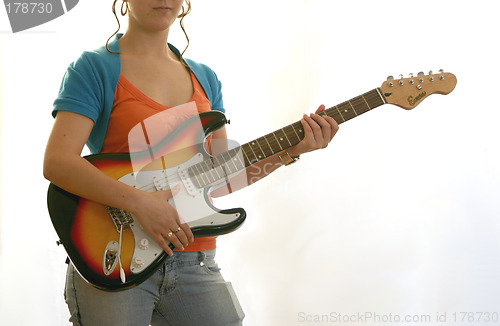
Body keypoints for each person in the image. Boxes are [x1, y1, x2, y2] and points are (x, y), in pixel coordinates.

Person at [43, 0, 339, 325]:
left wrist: (290, 151)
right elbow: (58, 162)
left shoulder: (205, 78)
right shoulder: (93, 67)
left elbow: (223, 176)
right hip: (117, 258)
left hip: (195, 260)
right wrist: (141, 203)